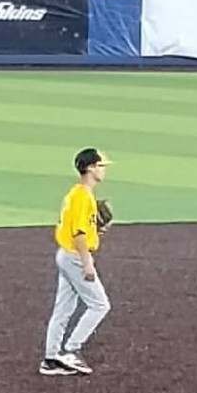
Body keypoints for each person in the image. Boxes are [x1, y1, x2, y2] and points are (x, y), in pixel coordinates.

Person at [40, 148, 112, 376]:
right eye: (101, 165)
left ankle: (50, 359)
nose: (104, 170)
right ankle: (71, 349)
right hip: (74, 256)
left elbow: (81, 228)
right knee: (100, 305)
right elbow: (79, 233)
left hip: (65, 254)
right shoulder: (82, 197)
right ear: (90, 168)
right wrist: (87, 262)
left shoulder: (76, 193)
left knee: (63, 308)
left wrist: (97, 230)